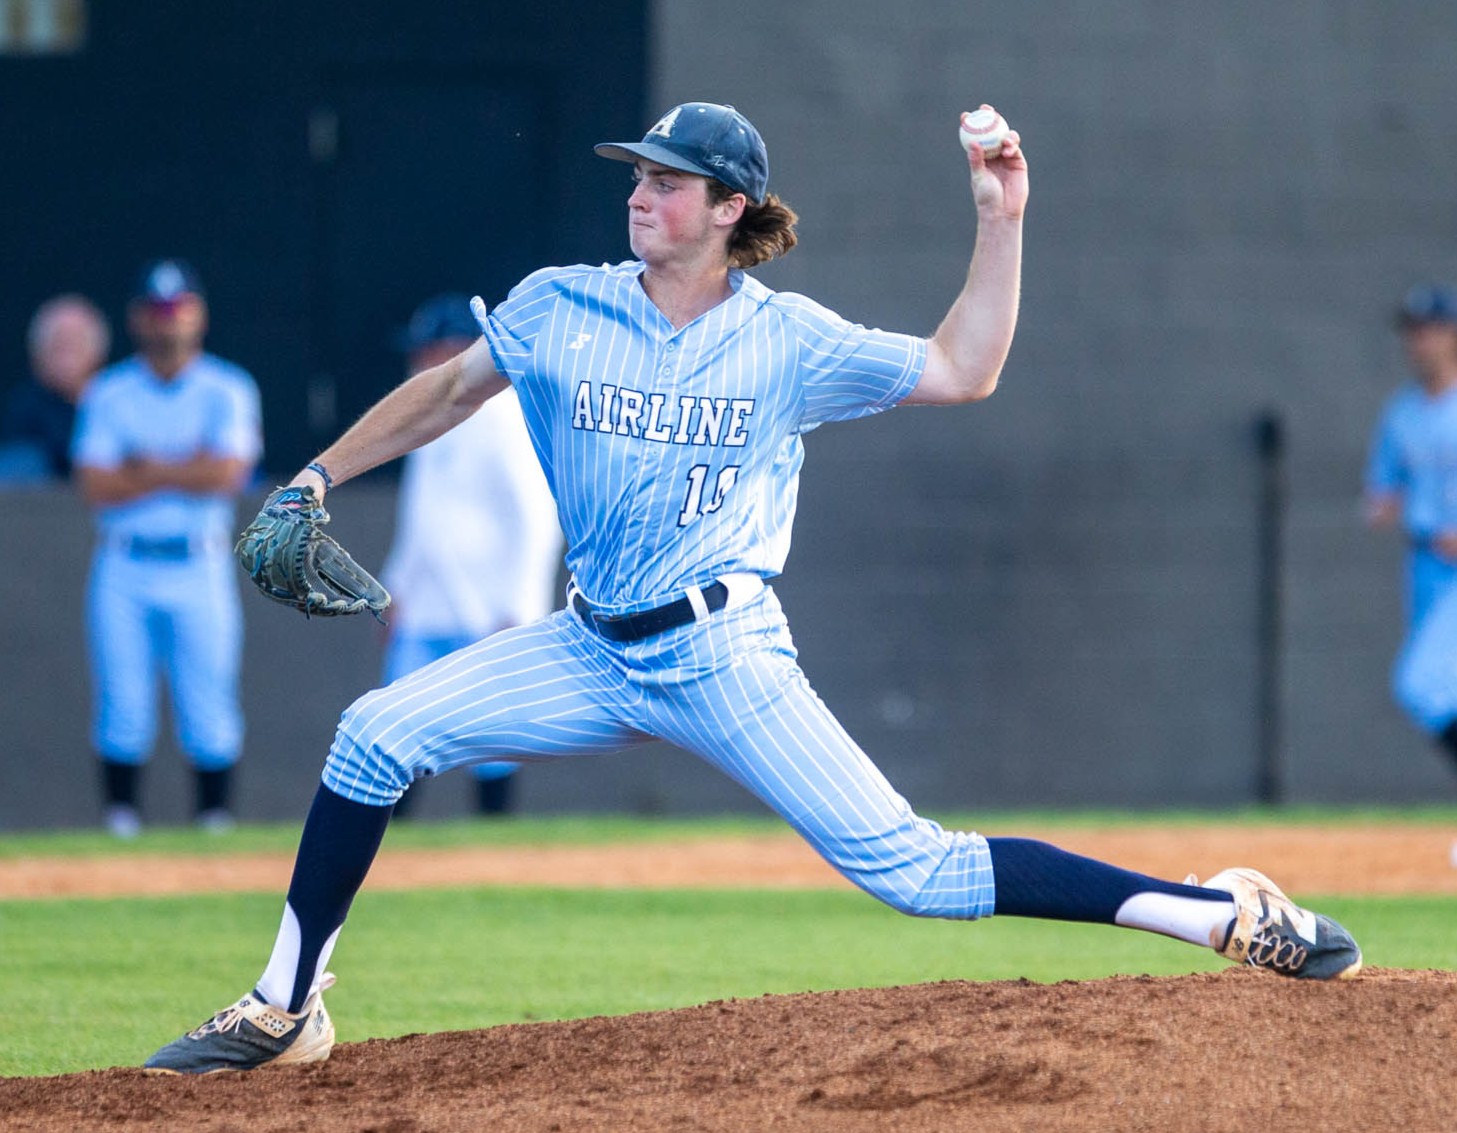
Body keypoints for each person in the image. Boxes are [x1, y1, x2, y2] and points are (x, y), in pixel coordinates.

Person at [143, 102, 1360, 1075]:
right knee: (372, 733)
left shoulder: (788, 341)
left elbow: (960, 368)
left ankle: (1213, 913)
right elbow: (455, 390)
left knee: (920, 874)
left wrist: (1001, 218)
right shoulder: (558, 302)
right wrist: (316, 470)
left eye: (670, 181)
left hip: (723, 654)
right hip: (587, 641)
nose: (641, 193)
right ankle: (285, 1004)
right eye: (636, 175)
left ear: (729, 209)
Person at [72, 259, 263, 838]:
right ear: (136, 320)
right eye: (157, 312)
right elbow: (96, 484)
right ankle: (121, 821)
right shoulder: (110, 390)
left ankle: (214, 821)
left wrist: (143, 466)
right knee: (122, 704)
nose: (168, 323)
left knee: (210, 702)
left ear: (198, 315)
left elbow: (229, 472)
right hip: (125, 558)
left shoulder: (227, 387)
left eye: (178, 310)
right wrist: (187, 466)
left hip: (198, 558)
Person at [379, 293, 564, 818]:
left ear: (457, 349)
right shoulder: (428, 414)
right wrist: (397, 588)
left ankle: (495, 843)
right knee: (397, 728)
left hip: (487, 612)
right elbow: (421, 517)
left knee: (494, 738)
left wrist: (520, 610)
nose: (416, 361)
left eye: (426, 350)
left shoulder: (506, 415)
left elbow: (537, 518)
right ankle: (394, 846)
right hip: (428, 605)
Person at [1364, 283, 1457, 773]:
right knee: (1442, 688)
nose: (1420, 341)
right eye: (1413, 331)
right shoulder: (1403, 411)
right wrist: (1384, 505)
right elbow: (1384, 488)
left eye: (1432, 329)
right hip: (1426, 563)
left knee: (1421, 683)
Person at [0, 294, 110, 483]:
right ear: (37, 355)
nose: (66, 356)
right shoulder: (23, 408)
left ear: (98, 354)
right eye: (58, 344)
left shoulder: (117, 403)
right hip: (38, 508)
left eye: (75, 344)